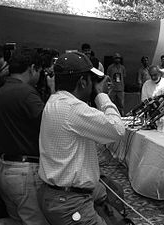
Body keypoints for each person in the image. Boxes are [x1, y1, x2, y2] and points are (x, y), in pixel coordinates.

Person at [37, 51, 125, 225]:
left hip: (56, 195)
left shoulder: (54, 100)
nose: (93, 86)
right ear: (83, 82)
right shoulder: (73, 108)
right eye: (92, 82)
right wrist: (101, 95)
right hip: (70, 204)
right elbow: (117, 129)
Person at [0, 47, 49, 225]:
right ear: (32, 68)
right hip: (24, 171)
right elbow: (50, 124)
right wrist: (55, 91)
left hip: (4, 167)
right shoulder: (26, 93)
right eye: (40, 71)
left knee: (17, 220)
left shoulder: (2, 91)